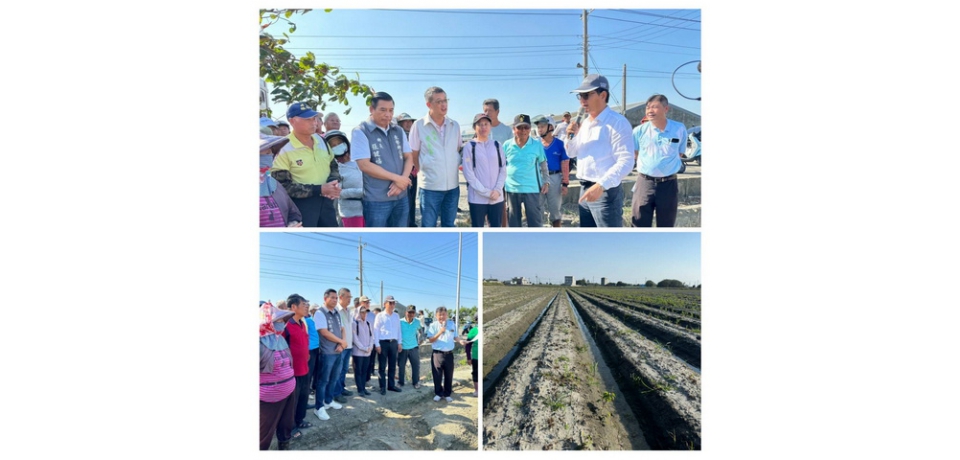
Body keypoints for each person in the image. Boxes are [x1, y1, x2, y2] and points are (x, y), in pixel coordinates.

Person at [564, 74, 635, 227]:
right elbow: (571, 153)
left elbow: (626, 161)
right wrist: (570, 137)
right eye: (580, 96)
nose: (582, 100)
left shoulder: (617, 123)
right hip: (585, 189)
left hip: (604, 191)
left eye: (586, 95)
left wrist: (601, 185)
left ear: (603, 95)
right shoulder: (585, 123)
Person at [271, 102, 342, 227]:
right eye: (308, 119)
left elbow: (333, 165)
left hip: (327, 202)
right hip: (302, 206)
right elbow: (283, 186)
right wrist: (319, 189)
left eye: (314, 118)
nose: (314, 122)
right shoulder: (283, 147)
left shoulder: (321, 140)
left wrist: (333, 183)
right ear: (292, 121)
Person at [351, 92, 413, 227]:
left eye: (391, 110)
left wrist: (402, 180)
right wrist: (398, 179)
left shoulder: (398, 130)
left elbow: (409, 157)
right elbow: (364, 165)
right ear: (371, 109)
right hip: (377, 200)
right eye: (383, 110)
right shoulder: (361, 131)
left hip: (401, 196)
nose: (388, 115)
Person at [631, 94, 688, 227]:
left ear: (666, 109)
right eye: (648, 107)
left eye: (655, 107)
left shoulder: (679, 129)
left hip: (669, 184)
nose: (650, 111)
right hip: (645, 183)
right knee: (639, 223)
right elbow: (635, 153)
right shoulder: (639, 131)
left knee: (666, 225)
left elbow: (679, 153)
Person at [409, 86, 463, 227]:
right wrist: (426, 168)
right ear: (429, 104)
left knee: (449, 225)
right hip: (430, 187)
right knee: (428, 226)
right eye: (439, 101)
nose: (444, 104)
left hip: (452, 186)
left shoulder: (454, 125)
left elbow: (456, 149)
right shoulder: (419, 125)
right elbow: (413, 154)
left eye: (445, 100)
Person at [260, 302, 296, 450]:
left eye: (282, 320)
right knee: (263, 433)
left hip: (289, 391)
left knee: (286, 425)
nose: (282, 323)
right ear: (266, 320)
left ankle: (284, 446)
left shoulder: (279, 338)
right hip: (269, 397)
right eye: (278, 320)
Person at [503, 114, 549, 227]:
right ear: (514, 129)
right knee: (514, 223)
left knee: (535, 222)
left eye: (526, 127)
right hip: (512, 189)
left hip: (531, 188)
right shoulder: (507, 145)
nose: (523, 130)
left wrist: (546, 181)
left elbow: (543, 164)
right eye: (519, 127)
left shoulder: (536, 145)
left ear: (530, 129)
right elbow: (501, 166)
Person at [461, 113, 506, 227]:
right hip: (477, 199)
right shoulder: (470, 146)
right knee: (478, 229)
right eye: (480, 125)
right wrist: (486, 192)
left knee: (495, 229)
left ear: (490, 127)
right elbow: (469, 174)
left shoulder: (497, 145)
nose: (483, 127)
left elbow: (503, 169)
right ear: (474, 128)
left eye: (486, 124)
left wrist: (497, 190)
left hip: (496, 197)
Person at [280, 294, 313, 436]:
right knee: (291, 403)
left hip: (304, 368)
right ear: (294, 307)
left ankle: (299, 420)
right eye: (303, 304)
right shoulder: (286, 326)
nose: (307, 306)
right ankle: (290, 427)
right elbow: (281, 350)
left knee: (303, 398)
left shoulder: (303, 323)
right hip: (292, 372)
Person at [312, 289, 348, 421]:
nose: (335, 300)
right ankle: (319, 407)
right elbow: (324, 332)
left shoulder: (337, 313)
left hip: (338, 350)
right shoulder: (320, 313)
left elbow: (342, 329)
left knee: (334, 378)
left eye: (336, 298)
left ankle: (328, 400)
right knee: (323, 380)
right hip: (327, 352)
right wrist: (341, 342)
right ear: (325, 298)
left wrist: (343, 343)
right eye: (332, 298)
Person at [534, 115, 570, 227]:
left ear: (551, 127)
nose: (540, 129)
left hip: (554, 178)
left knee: (555, 209)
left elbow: (565, 164)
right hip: (538, 178)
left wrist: (565, 183)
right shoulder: (534, 144)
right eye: (538, 127)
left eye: (542, 126)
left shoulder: (559, 144)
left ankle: (556, 230)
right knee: (537, 208)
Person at [260, 134, 302, 228]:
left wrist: (293, 224)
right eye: (265, 154)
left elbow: (293, 213)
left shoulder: (274, 184)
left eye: (270, 154)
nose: (269, 157)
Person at [324, 130, 364, 227]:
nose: (337, 146)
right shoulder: (334, 168)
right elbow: (337, 192)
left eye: (339, 143)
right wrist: (361, 192)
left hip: (369, 209)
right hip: (351, 212)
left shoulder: (359, 160)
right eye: (333, 145)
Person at [482, 98, 512, 228]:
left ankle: (503, 229)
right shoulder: (482, 129)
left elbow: (511, 152)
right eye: (485, 110)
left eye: (490, 110)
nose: (487, 113)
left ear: (497, 111)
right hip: (485, 175)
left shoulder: (506, 130)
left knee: (502, 204)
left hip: (502, 174)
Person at [426, 306, 457, 402]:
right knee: (437, 374)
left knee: (449, 374)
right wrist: (440, 332)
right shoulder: (433, 326)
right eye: (440, 315)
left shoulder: (452, 324)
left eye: (443, 314)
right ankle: (438, 393)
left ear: (447, 315)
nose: (442, 317)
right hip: (437, 354)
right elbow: (431, 340)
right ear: (436, 316)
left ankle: (447, 393)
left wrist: (461, 341)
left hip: (449, 354)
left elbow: (455, 337)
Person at [373, 295, 403, 394]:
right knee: (382, 366)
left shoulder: (396, 316)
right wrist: (377, 344)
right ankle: (382, 387)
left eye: (393, 303)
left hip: (393, 343)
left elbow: (399, 330)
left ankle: (391, 385)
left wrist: (399, 343)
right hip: (383, 343)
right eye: (390, 303)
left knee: (392, 365)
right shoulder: (380, 315)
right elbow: (376, 330)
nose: (392, 305)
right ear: (384, 304)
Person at [396, 112, 419, 227]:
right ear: (399, 123)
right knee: (406, 200)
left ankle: (412, 222)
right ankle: (407, 223)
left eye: (410, 121)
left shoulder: (414, 135)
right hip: (403, 173)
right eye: (405, 121)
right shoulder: (398, 137)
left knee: (412, 199)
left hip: (414, 172)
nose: (408, 123)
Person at [333, 288, 355, 402]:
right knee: (338, 369)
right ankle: (336, 393)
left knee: (344, 369)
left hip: (348, 345)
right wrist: (340, 343)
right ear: (340, 297)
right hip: (340, 346)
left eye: (350, 297)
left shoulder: (348, 311)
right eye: (347, 297)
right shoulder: (336, 310)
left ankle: (341, 388)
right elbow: (336, 330)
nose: (349, 300)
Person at [351, 306, 375, 396]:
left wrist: (370, 346)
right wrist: (363, 348)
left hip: (367, 352)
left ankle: (363, 388)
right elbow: (355, 339)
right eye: (362, 312)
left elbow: (371, 336)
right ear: (358, 312)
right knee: (358, 371)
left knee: (365, 371)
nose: (364, 314)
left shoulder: (368, 323)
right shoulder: (355, 323)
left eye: (365, 312)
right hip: (358, 353)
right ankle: (360, 389)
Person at [398, 305, 422, 389]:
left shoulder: (417, 322)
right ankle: (401, 382)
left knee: (415, 365)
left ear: (414, 314)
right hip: (402, 348)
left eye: (412, 312)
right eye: (409, 312)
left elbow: (421, 331)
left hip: (413, 347)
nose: (411, 314)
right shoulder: (400, 322)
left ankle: (415, 382)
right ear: (405, 312)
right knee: (401, 366)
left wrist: (421, 339)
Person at [458, 323, 479, 397]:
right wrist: (469, 358)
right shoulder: (474, 331)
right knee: (476, 373)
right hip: (476, 356)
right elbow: (468, 345)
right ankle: (477, 390)